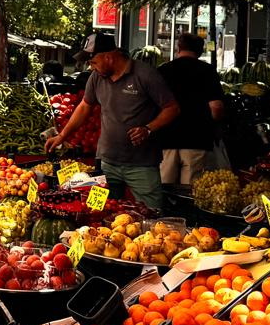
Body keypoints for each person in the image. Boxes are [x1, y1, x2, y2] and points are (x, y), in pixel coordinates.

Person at [47, 31, 181, 211]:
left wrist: (148, 128)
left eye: (93, 62)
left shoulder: (145, 75)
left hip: (142, 165)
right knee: (101, 214)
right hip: (107, 162)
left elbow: (172, 108)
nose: (91, 67)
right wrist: (62, 136)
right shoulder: (96, 77)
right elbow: (84, 107)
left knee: (152, 213)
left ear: (109, 57)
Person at [156, 33, 226, 191]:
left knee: (164, 188)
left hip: (166, 138)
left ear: (178, 48)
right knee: (190, 190)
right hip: (197, 139)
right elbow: (216, 107)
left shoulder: (163, 71)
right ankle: (187, 215)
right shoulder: (207, 71)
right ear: (200, 51)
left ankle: (163, 215)